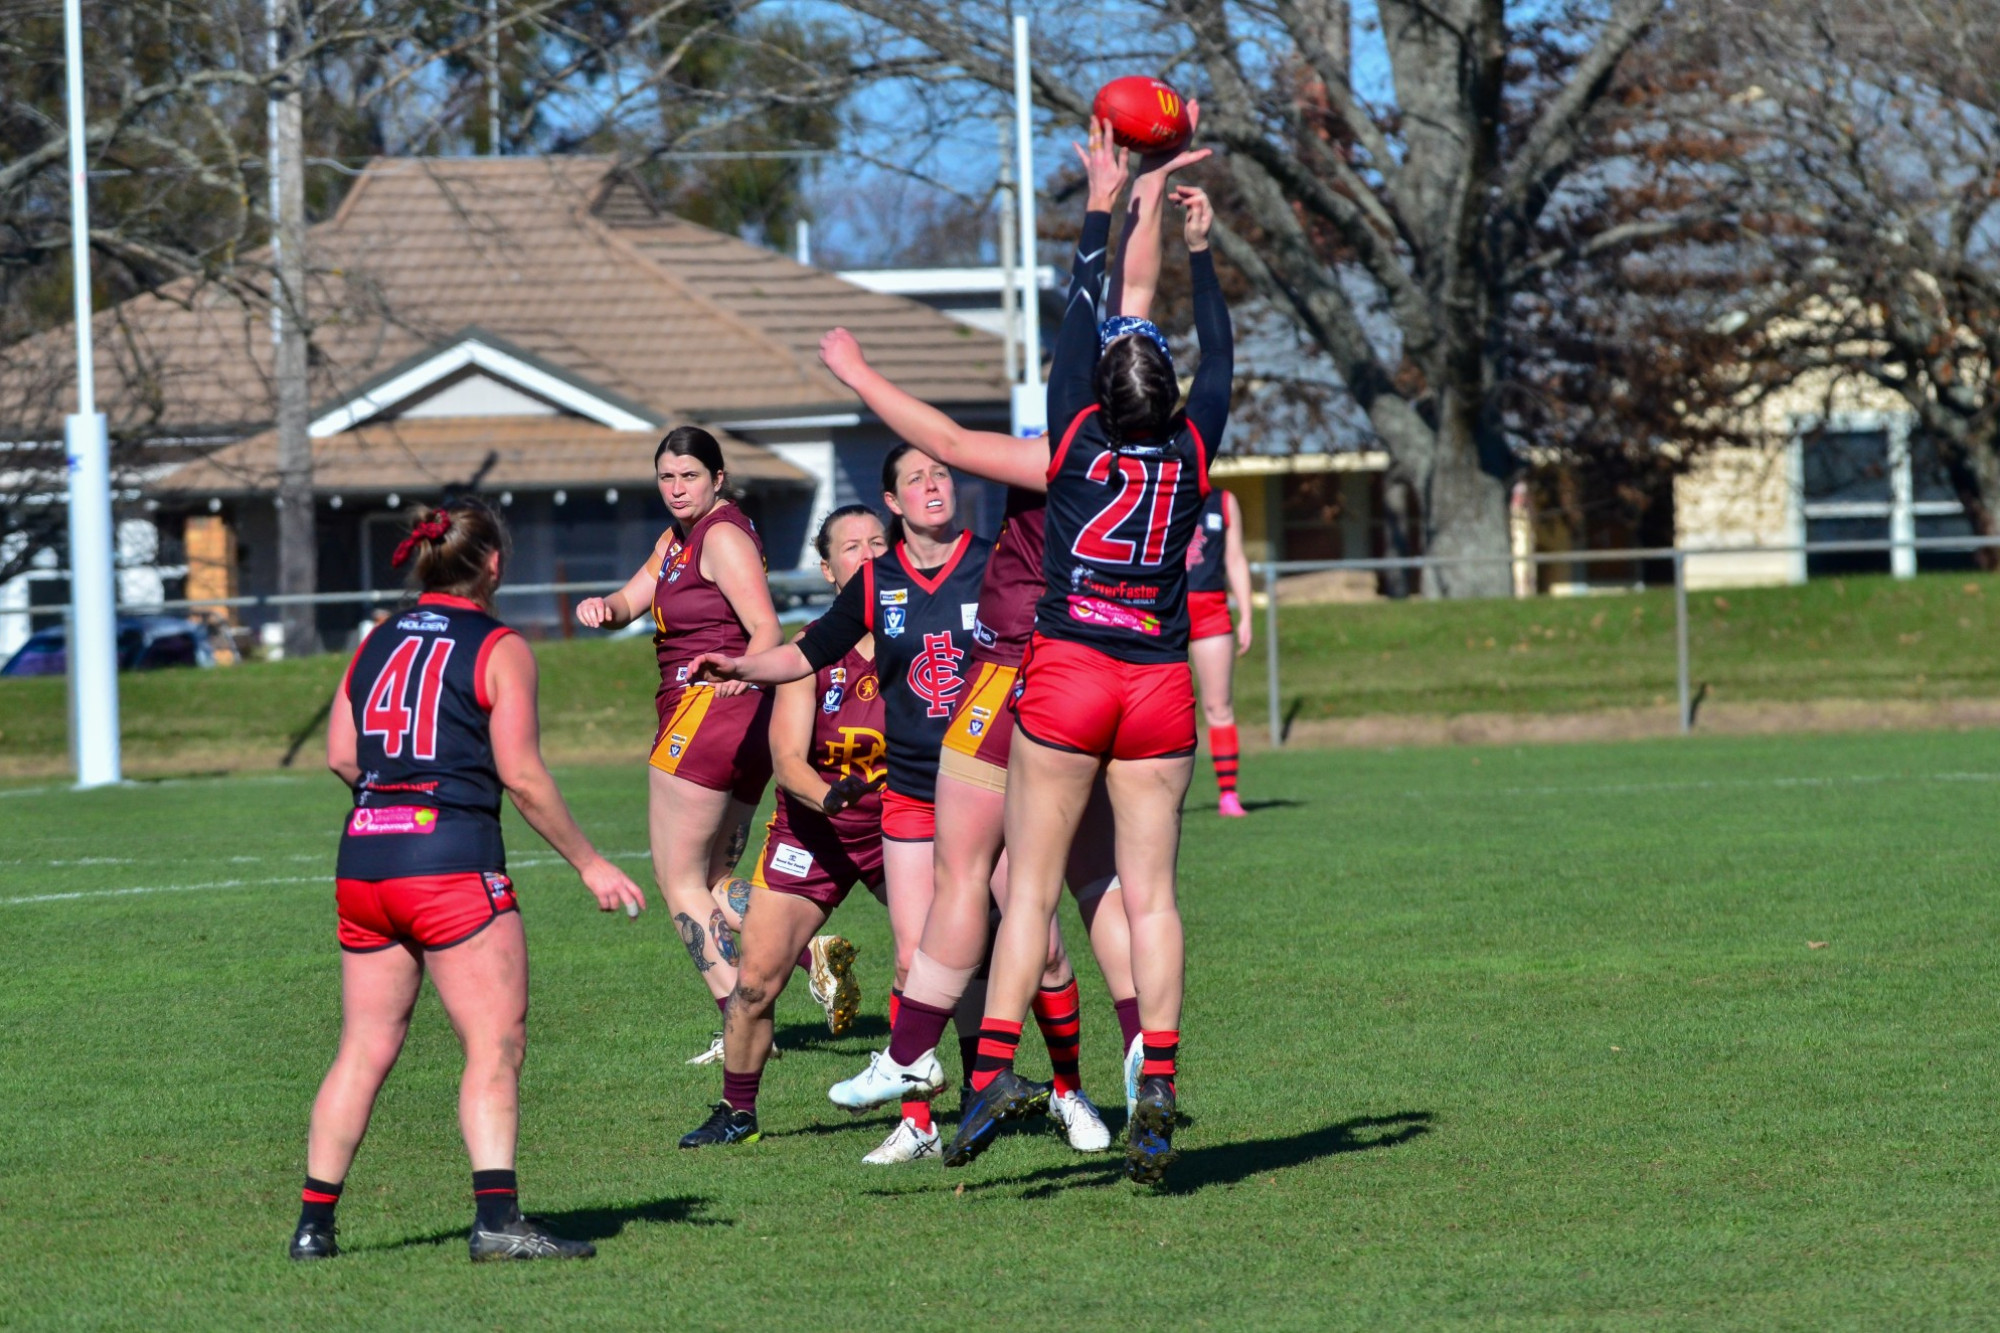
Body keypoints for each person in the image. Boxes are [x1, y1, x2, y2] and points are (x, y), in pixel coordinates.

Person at [814, 132, 1209, 1128]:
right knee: (1104, 881)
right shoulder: (1167, 442)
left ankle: (920, 1055)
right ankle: (1134, 1061)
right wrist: (1150, 186)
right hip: (1137, 674)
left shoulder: (1062, 448)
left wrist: (856, 373)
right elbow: (1132, 293)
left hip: (1034, 667)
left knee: (983, 873)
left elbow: (946, 436)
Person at [946, 122, 1231, 1185]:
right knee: (1150, 895)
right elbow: (1218, 351)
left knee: (1026, 893)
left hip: (1067, 674)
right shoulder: (1194, 446)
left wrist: (1100, 202)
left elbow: (1083, 309)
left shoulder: (1071, 435)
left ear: (1099, 394)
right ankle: (1153, 1076)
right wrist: (1195, 248)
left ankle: (985, 1076)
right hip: (1157, 683)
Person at [689, 446, 1094, 1164]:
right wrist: (747, 664)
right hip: (870, 811)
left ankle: (1063, 1091)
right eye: (915, 478)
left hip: (988, 785)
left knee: (1042, 948)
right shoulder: (868, 596)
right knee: (903, 962)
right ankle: (913, 1116)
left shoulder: (997, 561)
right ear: (894, 501)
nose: (933, 484)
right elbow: (794, 704)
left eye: (942, 473)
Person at [292, 499, 648, 1264]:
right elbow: (521, 775)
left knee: (363, 1047)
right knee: (493, 1043)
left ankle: (313, 1226)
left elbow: (340, 754)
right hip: (449, 863)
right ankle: (496, 1220)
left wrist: (395, 796)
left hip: (365, 861)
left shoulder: (376, 638)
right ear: (492, 563)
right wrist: (591, 861)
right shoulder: (499, 645)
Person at [679, 505, 890, 1150]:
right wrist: (831, 799)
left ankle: (990, 1089)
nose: (869, 554)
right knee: (753, 983)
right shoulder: (809, 651)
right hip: (814, 830)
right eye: (852, 547)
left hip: (899, 829)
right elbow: (788, 764)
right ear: (828, 570)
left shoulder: (922, 643)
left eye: (880, 542)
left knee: (958, 960)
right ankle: (737, 1114)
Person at [575, 427, 787, 1064]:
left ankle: (739, 1024)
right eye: (666, 477)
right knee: (718, 876)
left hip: (709, 713)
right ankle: (806, 951)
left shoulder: (720, 535)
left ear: (717, 479)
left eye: (689, 476)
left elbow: (767, 628)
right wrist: (602, 608)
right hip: (739, 723)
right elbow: (631, 600)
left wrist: (735, 675)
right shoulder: (676, 540)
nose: (676, 488)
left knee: (678, 880)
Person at [1185, 486, 1254, 815]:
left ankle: (1228, 795)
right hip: (1159, 610)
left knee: (1218, 705)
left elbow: (1236, 558)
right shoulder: (1159, 486)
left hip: (1210, 609)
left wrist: (1246, 615)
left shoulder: (1223, 500)